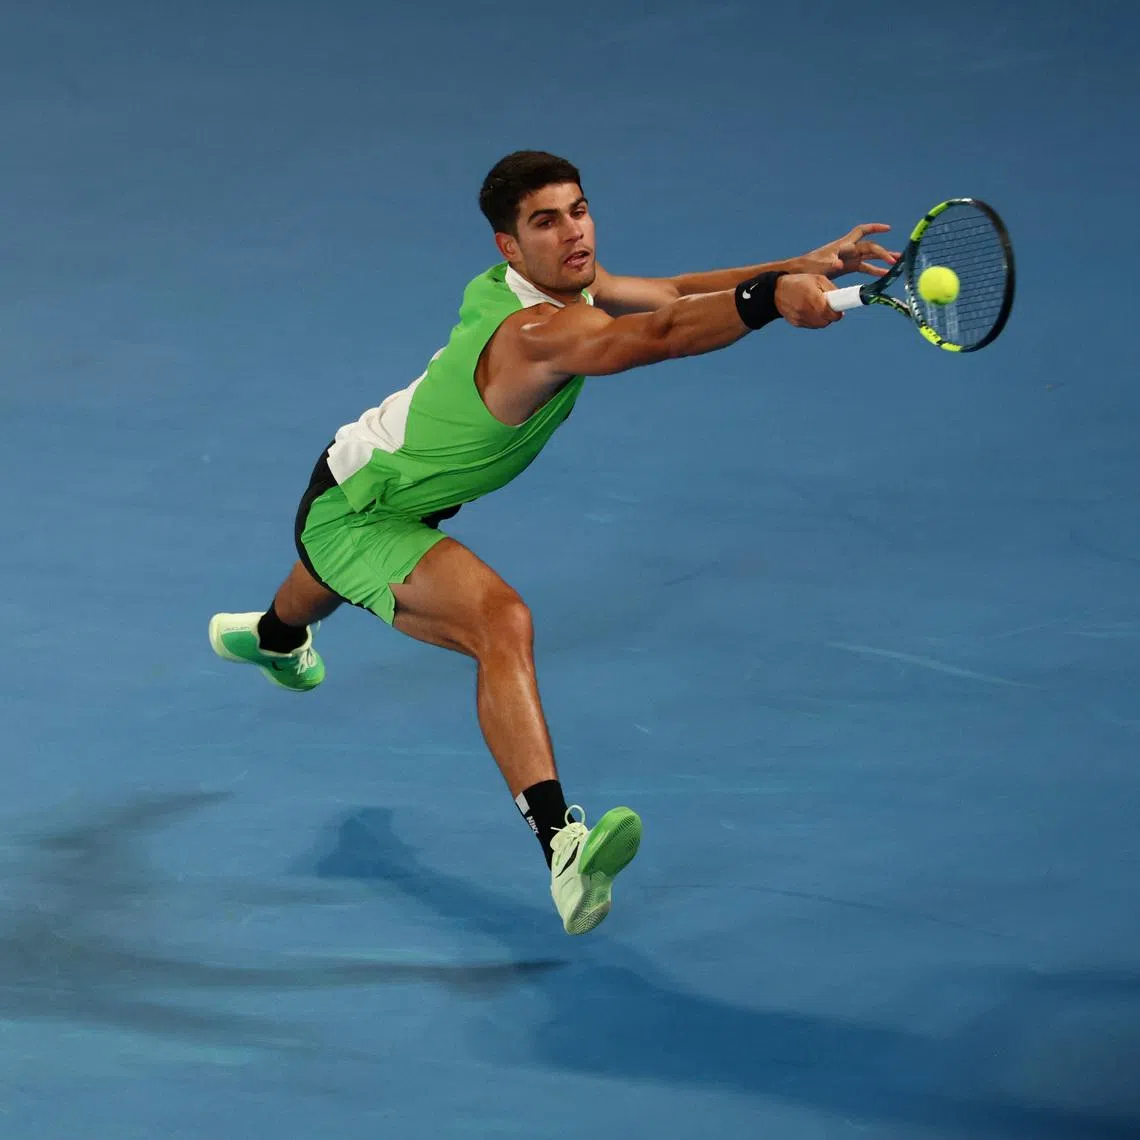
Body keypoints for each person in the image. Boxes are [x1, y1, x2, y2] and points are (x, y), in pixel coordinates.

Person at [208, 150, 898, 936]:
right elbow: (665, 332)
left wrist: (798, 264)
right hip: (360, 514)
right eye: (546, 222)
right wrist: (770, 300)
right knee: (500, 622)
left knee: (324, 581)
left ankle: (272, 635)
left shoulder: (555, 285)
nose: (574, 232)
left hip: (371, 478)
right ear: (510, 247)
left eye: (579, 209)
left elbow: (671, 291)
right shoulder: (536, 332)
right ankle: (564, 851)